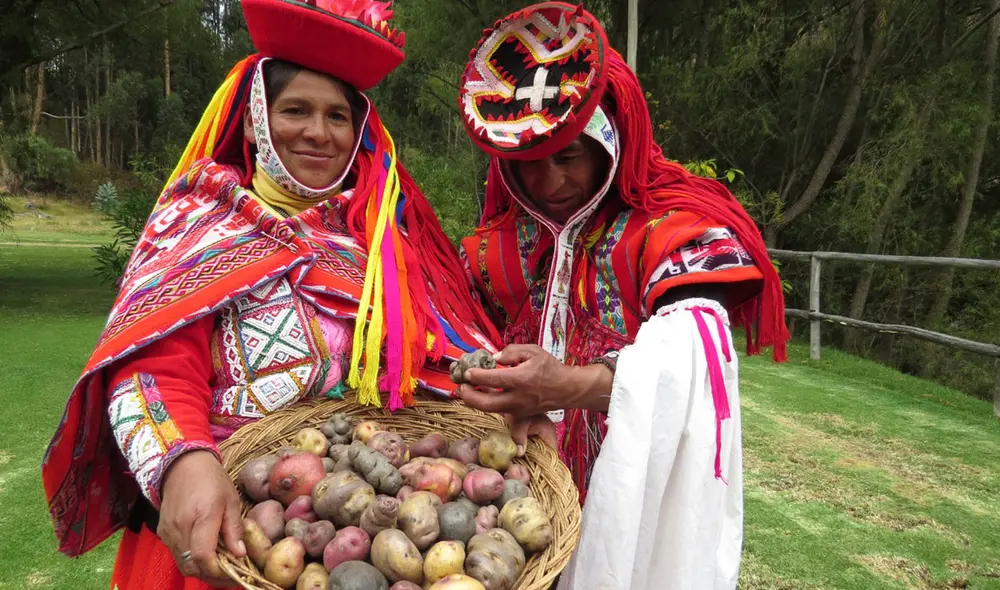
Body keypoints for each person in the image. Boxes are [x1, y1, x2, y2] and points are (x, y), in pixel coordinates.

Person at [40, 1, 498, 587]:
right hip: (233, 526)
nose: (318, 131)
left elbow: (427, 357)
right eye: (296, 110)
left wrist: (499, 397)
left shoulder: (378, 244)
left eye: (338, 116)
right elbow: (153, 368)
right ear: (255, 120)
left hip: (353, 536)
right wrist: (184, 460)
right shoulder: (197, 224)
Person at [452, 3, 789, 588]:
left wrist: (567, 388)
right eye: (529, 162)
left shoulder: (670, 233)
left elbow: (690, 365)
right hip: (507, 506)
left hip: (625, 502)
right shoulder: (492, 247)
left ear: (611, 146)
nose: (550, 182)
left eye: (569, 155)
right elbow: (457, 338)